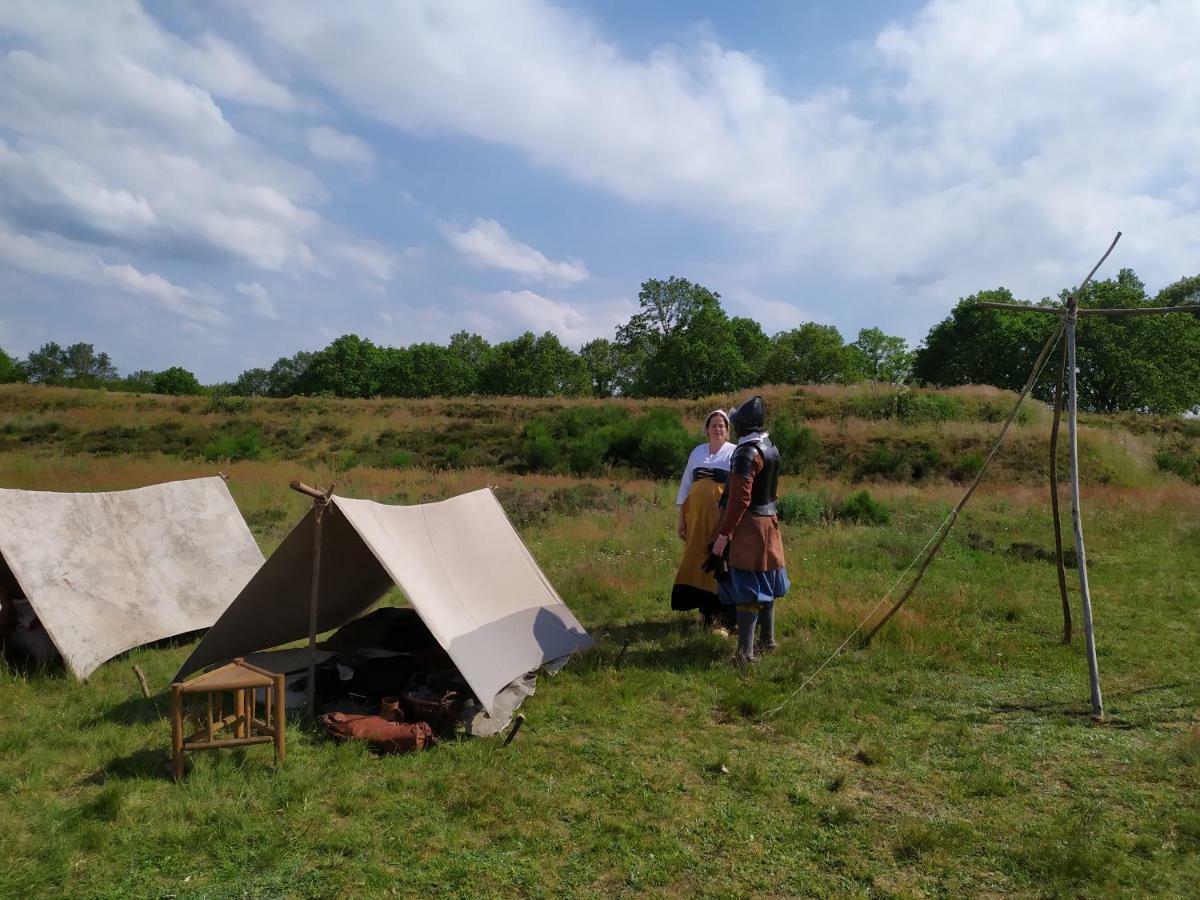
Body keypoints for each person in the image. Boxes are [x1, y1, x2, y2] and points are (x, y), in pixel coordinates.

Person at [711, 395, 789, 663]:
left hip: (749, 529)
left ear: (742, 425)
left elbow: (740, 499)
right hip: (768, 523)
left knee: (748, 588)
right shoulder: (770, 447)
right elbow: (772, 491)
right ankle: (767, 641)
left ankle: (745, 654)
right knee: (765, 583)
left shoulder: (746, 452)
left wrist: (723, 535)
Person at [671, 409, 736, 630]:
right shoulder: (697, 452)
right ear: (707, 429)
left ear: (727, 431)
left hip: (720, 518)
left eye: (722, 426)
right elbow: (686, 485)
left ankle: (723, 616)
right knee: (699, 560)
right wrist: (682, 518)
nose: (718, 429)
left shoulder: (733, 453)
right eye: (714, 425)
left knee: (718, 560)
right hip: (696, 517)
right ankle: (705, 613)